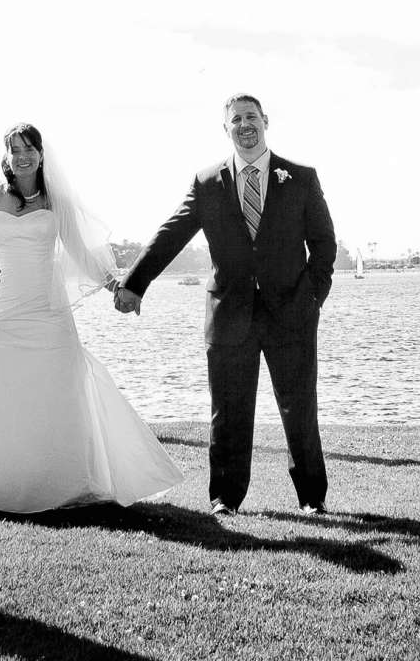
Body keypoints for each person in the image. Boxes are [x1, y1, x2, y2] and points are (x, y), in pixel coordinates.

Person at [0, 124, 183, 513]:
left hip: (49, 311)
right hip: (5, 308)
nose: (23, 156)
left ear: (41, 154)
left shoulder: (53, 201)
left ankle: (57, 481)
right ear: (6, 157)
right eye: (15, 150)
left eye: (29, 148)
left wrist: (114, 284)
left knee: (57, 388)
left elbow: (80, 251)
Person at [116, 94, 337, 515]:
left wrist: (312, 297)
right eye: (235, 120)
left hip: (291, 313)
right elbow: (172, 234)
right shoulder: (206, 182)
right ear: (226, 129)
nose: (244, 125)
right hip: (229, 314)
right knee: (229, 412)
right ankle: (225, 500)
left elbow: (324, 244)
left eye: (251, 117)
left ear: (266, 121)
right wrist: (135, 283)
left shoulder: (301, 178)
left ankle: (313, 498)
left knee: (299, 409)